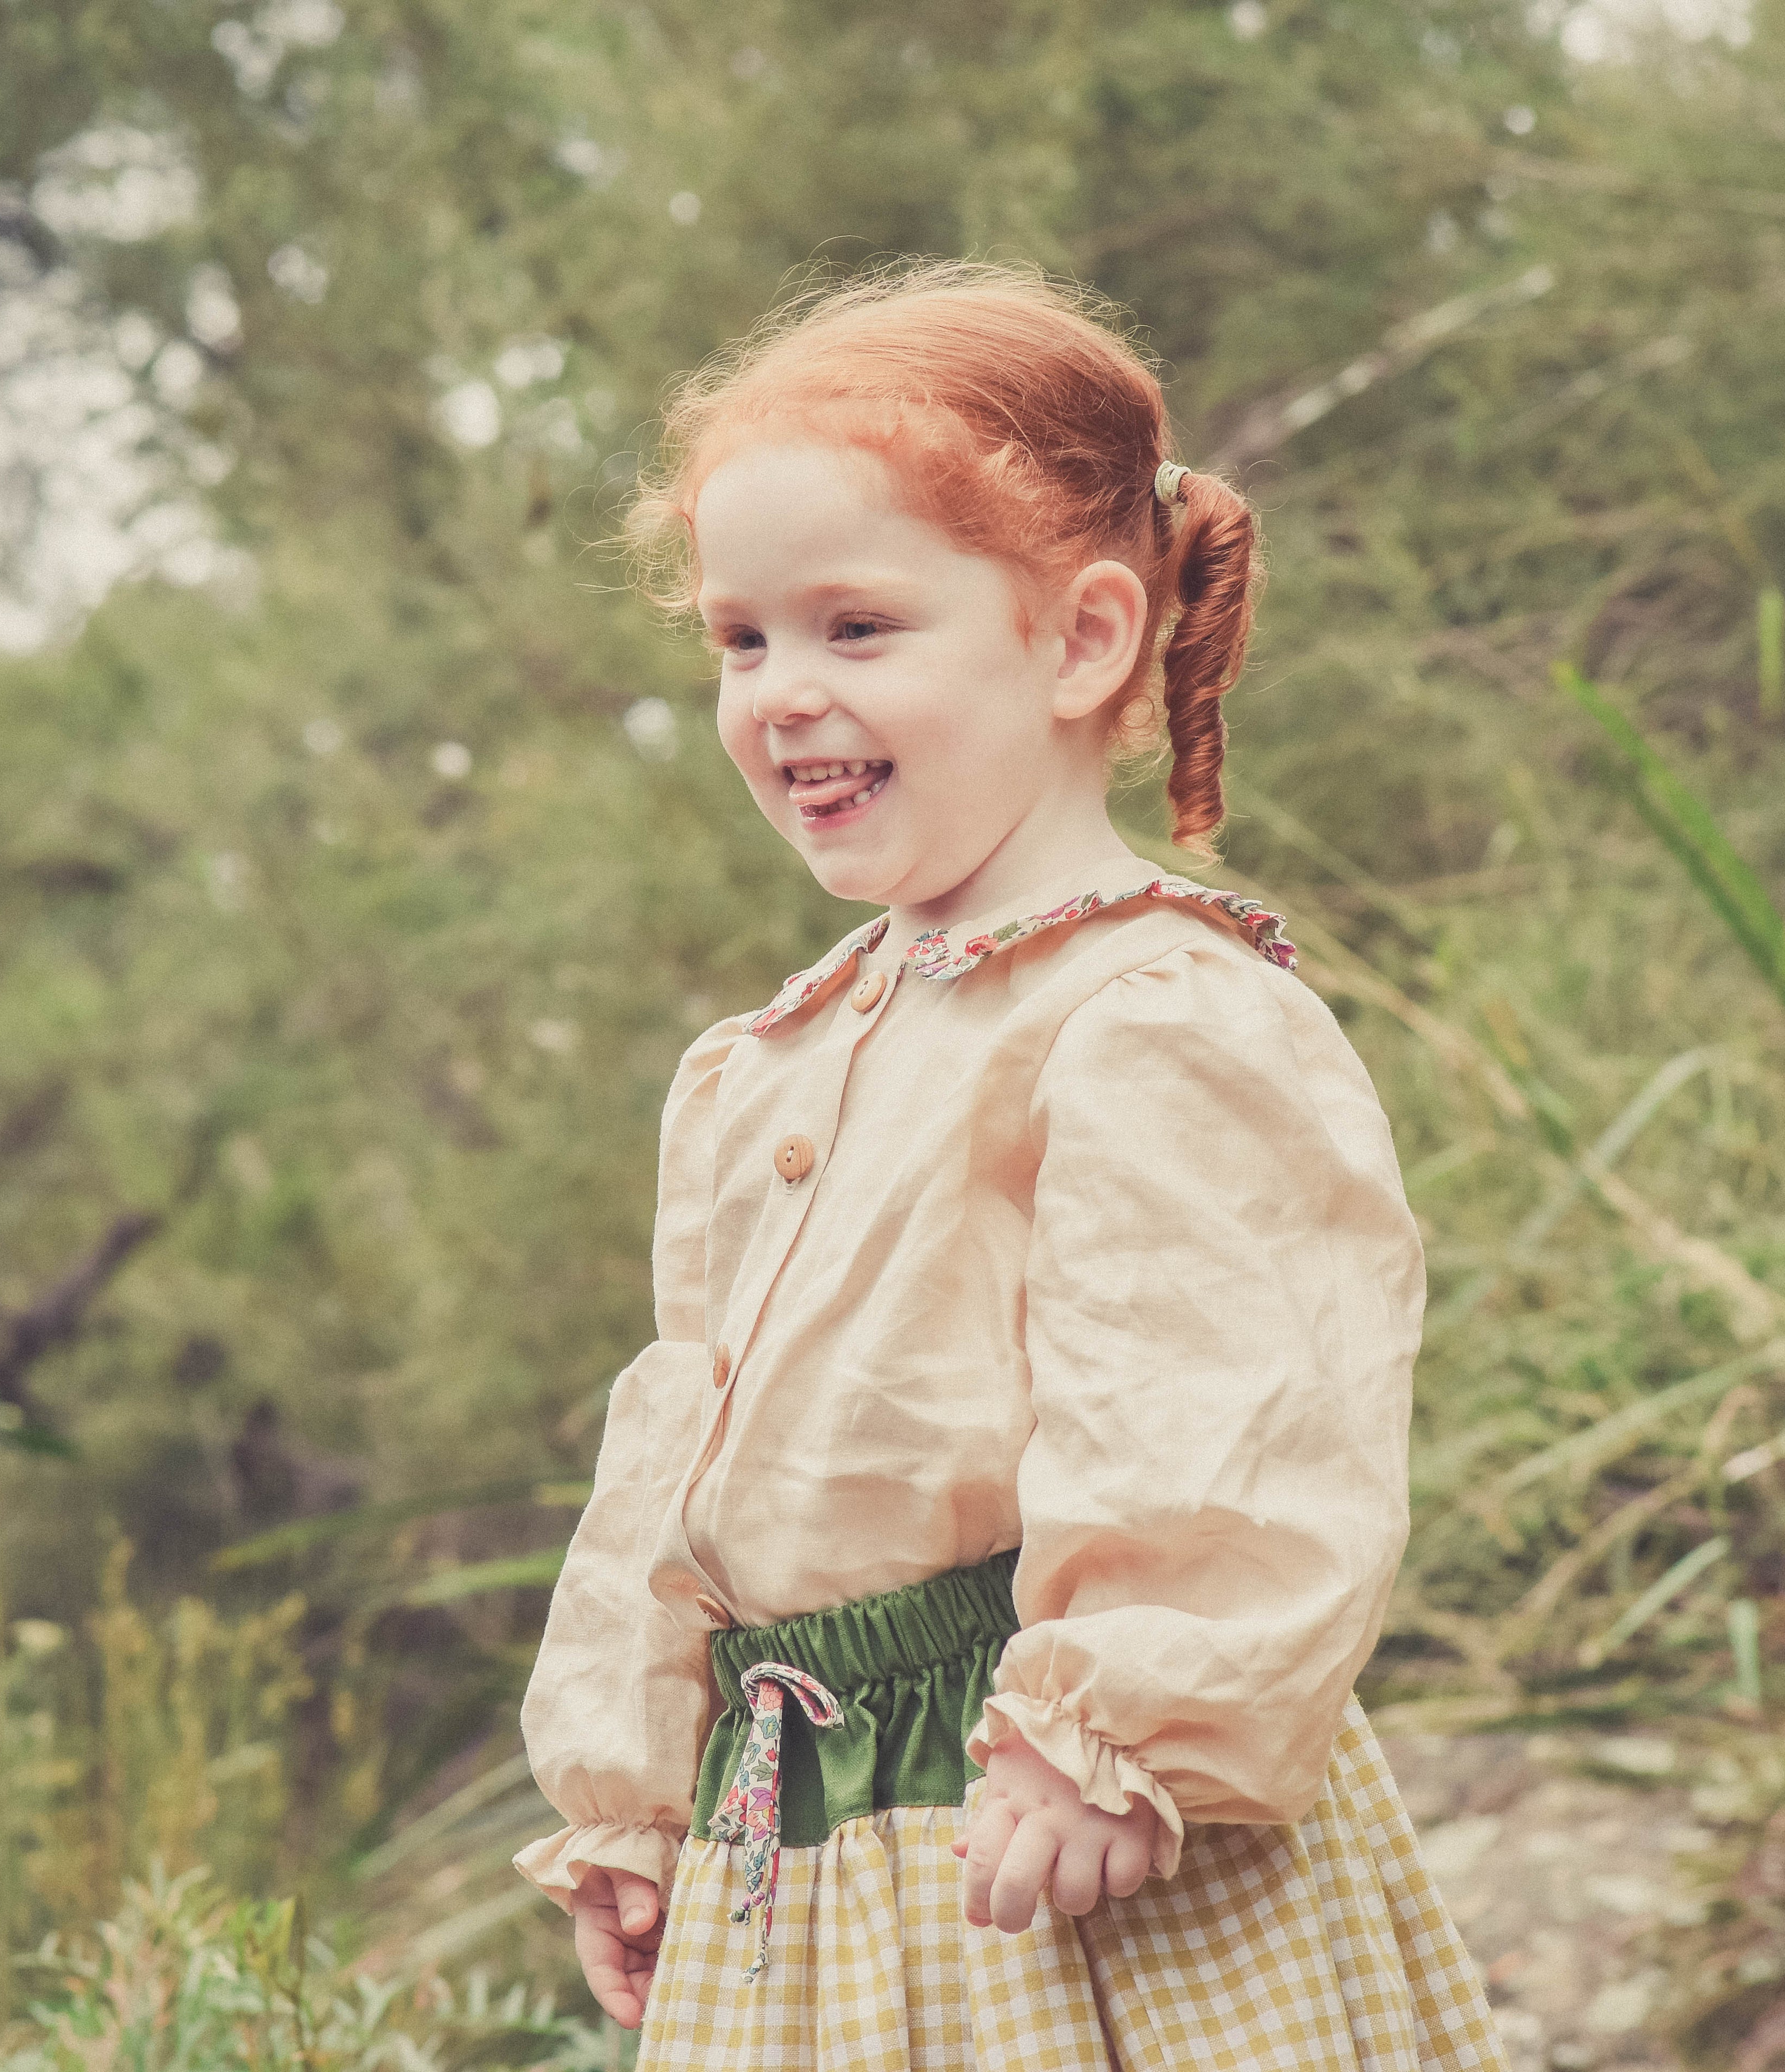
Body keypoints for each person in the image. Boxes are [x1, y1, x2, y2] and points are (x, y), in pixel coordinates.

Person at [511, 260, 1505, 2070]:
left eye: (856, 629)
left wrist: (1121, 1720)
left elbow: (1231, 1391)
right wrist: (640, 1794)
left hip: (1052, 1838)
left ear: (1080, 641)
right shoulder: (762, 1066)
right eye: (743, 640)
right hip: (804, 1855)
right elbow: (679, 1462)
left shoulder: (1150, 1012)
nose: (782, 695)